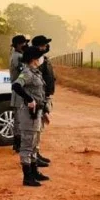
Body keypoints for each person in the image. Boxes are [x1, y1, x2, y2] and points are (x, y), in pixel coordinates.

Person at [11, 45, 50, 187]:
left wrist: (44, 111)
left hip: (37, 113)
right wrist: (29, 99)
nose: (41, 59)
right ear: (34, 59)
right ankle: (27, 176)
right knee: (27, 145)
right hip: (29, 114)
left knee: (34, 144)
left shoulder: (36, 73)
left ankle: (34, 172)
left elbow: (40, 93)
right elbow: (16, 86)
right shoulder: (27, 72)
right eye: (39, 57)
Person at [31, 35, 55, 166]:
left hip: (44, 97)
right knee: (36, 129)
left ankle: (36, 154)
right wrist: (43, 104)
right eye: (44, 45)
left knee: (39, 129)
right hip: (39, 98)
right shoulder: (36, 62)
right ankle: (33, 156)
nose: (46, 47)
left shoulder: (42, 59)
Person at [8, 34, 29, 152]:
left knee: (19, 117)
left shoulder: (18, 55)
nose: (25, 45)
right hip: (19, 90)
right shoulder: (17, 57)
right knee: (19, 118)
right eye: (23, 43)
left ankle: (18, 144)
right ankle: (18, 144)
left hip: (19, 90)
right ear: (17, 44)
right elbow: (23, 71)